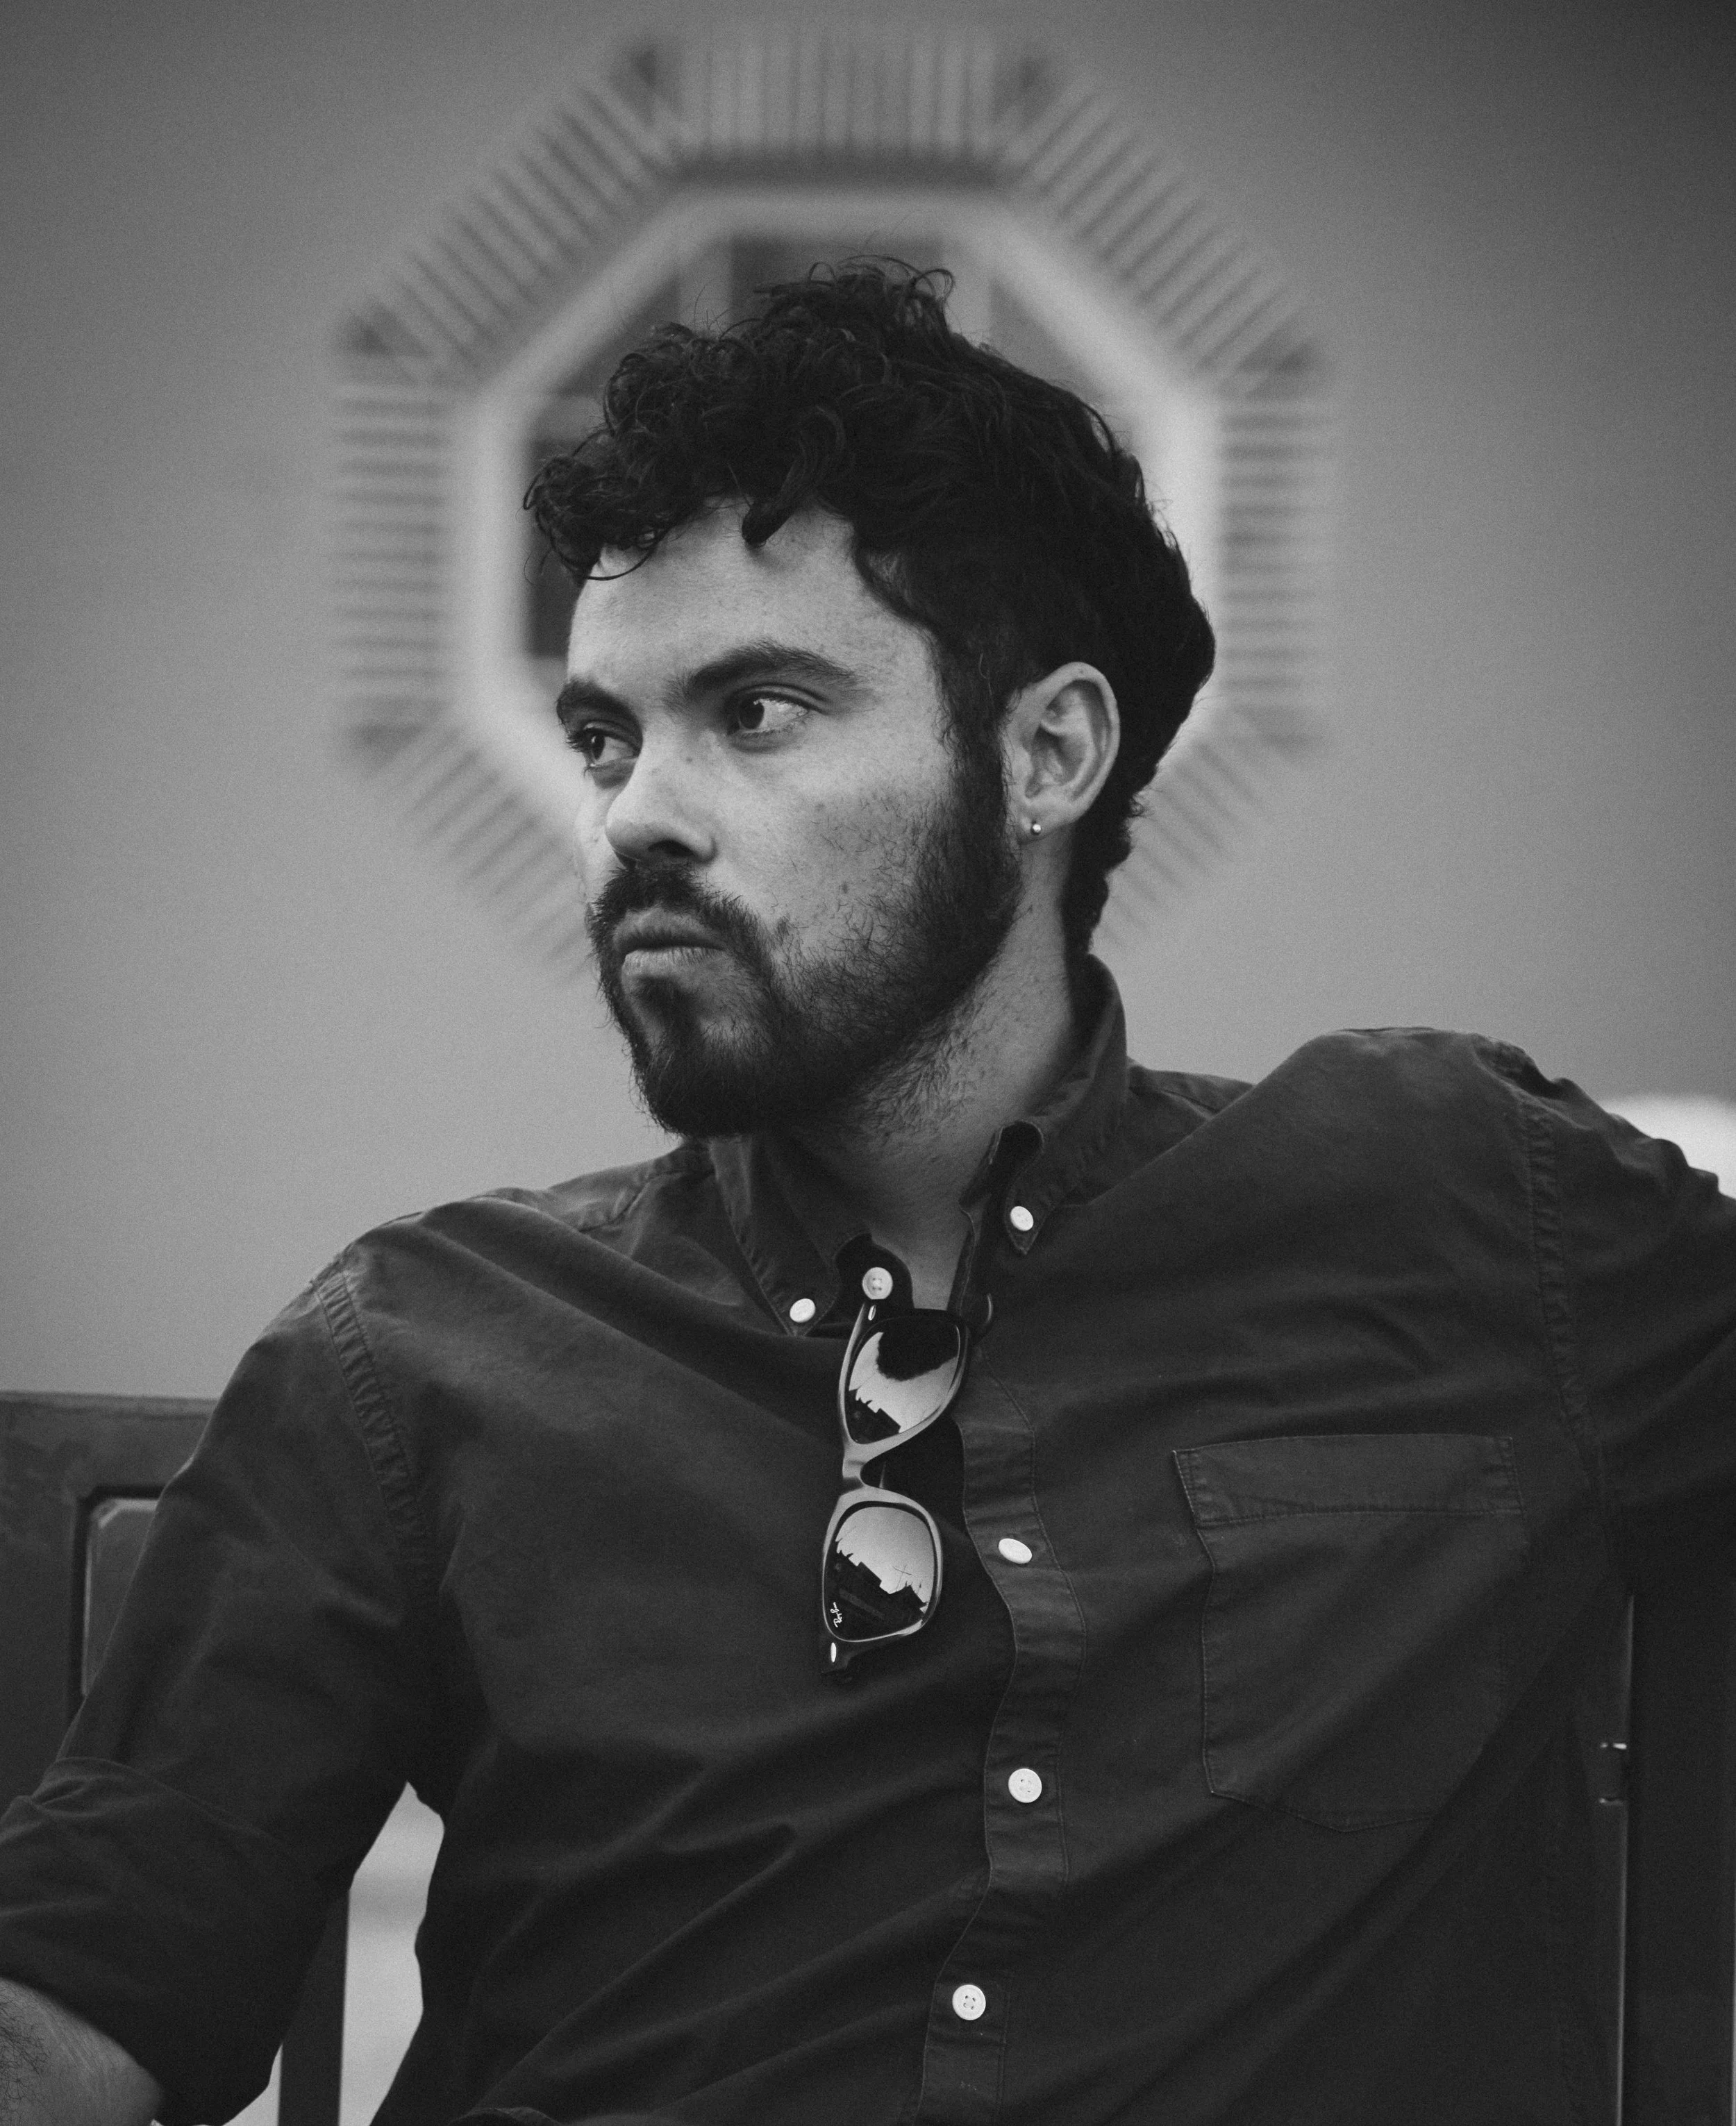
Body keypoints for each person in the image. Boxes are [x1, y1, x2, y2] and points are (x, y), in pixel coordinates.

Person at [1, 264, 1733, 2126]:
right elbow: (88, 1999)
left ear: (1049, 752)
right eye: (605, 734)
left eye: (751, 711)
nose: (635, 814)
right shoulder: (423, 1352)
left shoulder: (1465, 1214)